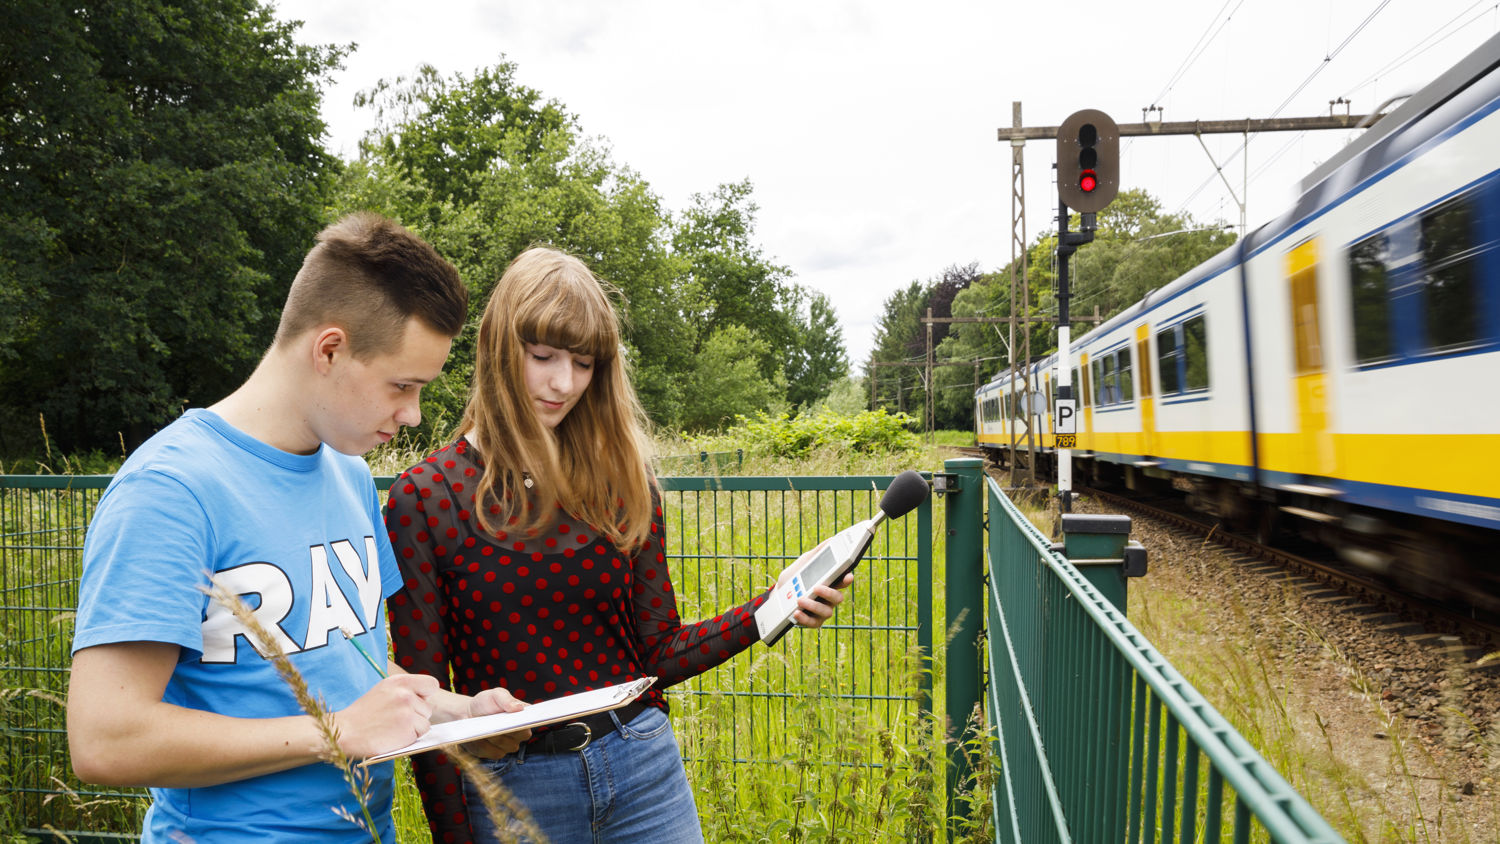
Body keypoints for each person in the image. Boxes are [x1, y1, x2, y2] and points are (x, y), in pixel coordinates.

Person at [66, 212, 529, 843]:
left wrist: (461, 712)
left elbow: (347, 667)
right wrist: (335, 732)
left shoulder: (350, 474)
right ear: (330, 349)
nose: (414, 415)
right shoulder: (171, 490)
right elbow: (104, 739)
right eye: (402, 386)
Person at [386, 246, 852, 844]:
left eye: (583, 363)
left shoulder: (621, 483)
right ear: (500, 349)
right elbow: (428, 716)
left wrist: (770, 611)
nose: (564, 383)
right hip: (512, 789)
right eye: (543, 356)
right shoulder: (426, 499)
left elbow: (655, 653)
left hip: (643, 771)